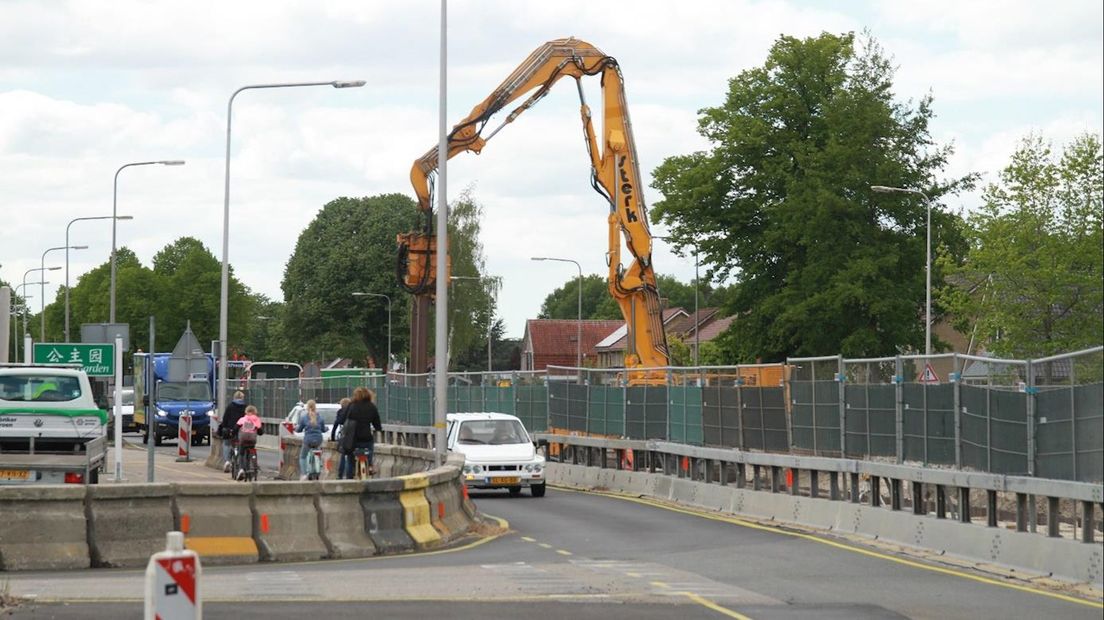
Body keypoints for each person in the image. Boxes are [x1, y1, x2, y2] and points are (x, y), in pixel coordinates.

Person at [340, 387, 383, 479]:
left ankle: (349, 478)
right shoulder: (372, 407)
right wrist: (378, 428)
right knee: (370, 450)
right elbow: (377, 425)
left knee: (350, 460)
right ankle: (370, 465)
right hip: (366, 438)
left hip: (353, 439)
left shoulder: (352, 405)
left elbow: (343, 419)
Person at [296, 400, 328, 480]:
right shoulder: (320, 417)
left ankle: (303, 474)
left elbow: (299, 429)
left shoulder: (304, 418)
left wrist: (296, 429)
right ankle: (318, 466)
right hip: (318, 440)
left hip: (308, 440)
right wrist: (326, 429)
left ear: (307, 408)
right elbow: (323, 429)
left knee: (302, 456)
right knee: (318, 452)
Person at [217, 391, 247, 472]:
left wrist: (221, 429)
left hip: (230, 430)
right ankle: (242, 465)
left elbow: (225, 419)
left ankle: (227, 461)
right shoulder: (246, 407)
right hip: (242, 430)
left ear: (234, 397)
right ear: (242, 398)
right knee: (242, 447)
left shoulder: (230, 406)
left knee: (226, 444)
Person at [235, 404, 264, 480]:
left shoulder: (242, 419)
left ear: (246, 412)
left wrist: (232, 432)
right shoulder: (256, 419)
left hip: (243, 439)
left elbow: (236, 428)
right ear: (255, 412)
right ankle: (253, 465)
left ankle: (241, 469)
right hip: (252, 440)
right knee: (251, 450)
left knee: (241, 453)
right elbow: (260, 431)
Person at [330, 397, 352, 478]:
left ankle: (340, 475)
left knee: (344, 455)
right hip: (354, 436)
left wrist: (332, 438)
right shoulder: (352, 412)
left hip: (345, 437)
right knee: (351, 457)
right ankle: (351, 475)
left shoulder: (340, 412)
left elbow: (336, 425)